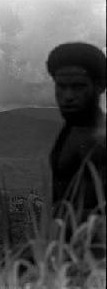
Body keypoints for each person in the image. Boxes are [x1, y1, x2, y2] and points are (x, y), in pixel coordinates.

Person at [46, 42, 106, 219]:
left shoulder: (101, 139)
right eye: (61, 87)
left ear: (100, 86)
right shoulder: (71, 130)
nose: (68, 97)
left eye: (78, 87)